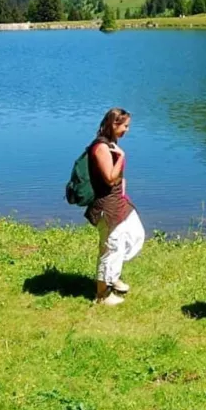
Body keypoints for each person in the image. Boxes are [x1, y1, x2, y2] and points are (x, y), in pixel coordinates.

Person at [87, 107, 145, 306]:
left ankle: (113, 275)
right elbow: (110, 178)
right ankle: (102, 295)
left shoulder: (111, 143)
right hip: (107, 207)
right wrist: (121, 157)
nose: (127, 130)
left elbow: (116, 179)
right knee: (110, 248)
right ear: (114, 124)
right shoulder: (101, 147)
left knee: (135, 235)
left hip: (120, 201)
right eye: (125, 126)